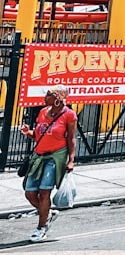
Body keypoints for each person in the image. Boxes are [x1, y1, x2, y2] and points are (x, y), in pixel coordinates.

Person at [20, 84, 77, 243]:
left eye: (48, 94)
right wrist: (28, 133)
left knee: (44, 192)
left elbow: (71, 139)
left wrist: (71, 160)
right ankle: (47, 213)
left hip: (55, 158)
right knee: (30, 192)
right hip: (39, 157)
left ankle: (41, 228)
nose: (45, 97)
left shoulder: (69, 115)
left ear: (58, 99)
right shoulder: (43, 112)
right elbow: (39, 135)